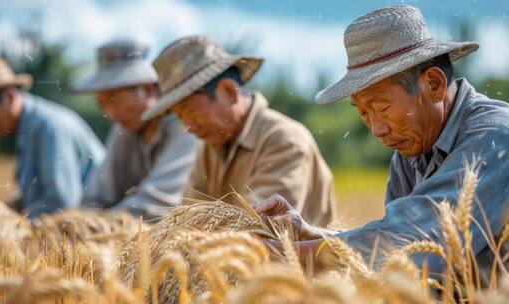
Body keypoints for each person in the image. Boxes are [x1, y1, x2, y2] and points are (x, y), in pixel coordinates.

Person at [254, 5, 509, 280]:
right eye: (363, 112)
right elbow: (392, 248)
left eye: (383, 107)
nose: (377, 129)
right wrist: (310, 233)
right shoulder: (409, 153)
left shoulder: (495, 137)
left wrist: (274, 255)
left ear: (433, 84)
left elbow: (415, 243)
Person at [141, 36, 336, 226]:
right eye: (180, 117)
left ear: (229, 92)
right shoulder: (208, 149)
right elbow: (187, 221)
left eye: (191, 112)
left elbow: (258, 226)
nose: (189, 127)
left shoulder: (284, 139)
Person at [75, 41, 199, 220]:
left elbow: (157, 203)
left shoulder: (186, 125)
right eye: (102, 104)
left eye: (114, 100)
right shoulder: (123, 129)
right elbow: (96, 195)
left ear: (148, 90)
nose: (109, 114)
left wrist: (99, 224)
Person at [0, 58, 105, 218]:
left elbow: (62, 202)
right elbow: (37, 192)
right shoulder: (30, 126)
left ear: (9, 97)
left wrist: (10, 224)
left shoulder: (48, 126)